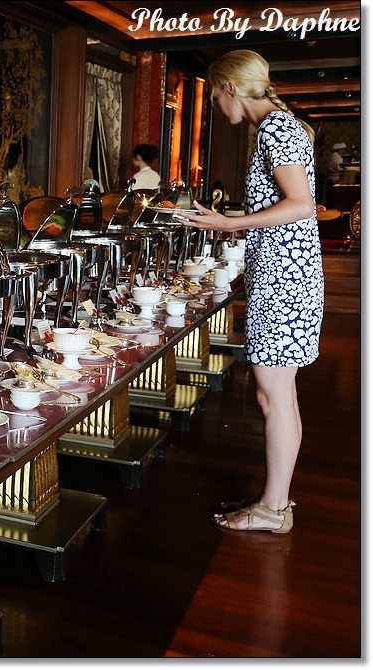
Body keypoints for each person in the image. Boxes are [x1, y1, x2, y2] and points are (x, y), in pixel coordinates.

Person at [179, 49, 323, 534]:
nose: (218, 108)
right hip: (287, 275)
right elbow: (286, 208)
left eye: (215, 97)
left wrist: (229, 222)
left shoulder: (275, 129)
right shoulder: (282, 125)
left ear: (230, 88)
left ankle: (273, 509)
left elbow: (300, 205)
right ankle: (275, 502)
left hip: (285, 280)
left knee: (272, 397)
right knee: (279, 396)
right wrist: (235, 227)